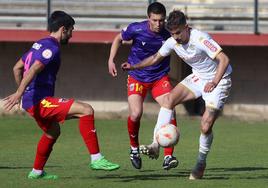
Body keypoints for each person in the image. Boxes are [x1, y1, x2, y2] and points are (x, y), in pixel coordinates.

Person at [3, 10, 119, 180]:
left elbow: (17, 67)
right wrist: (20, 92)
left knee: (53, 131)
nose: (72, 35)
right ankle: (97, 158)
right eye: (71, 30)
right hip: (39, 101)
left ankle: (36, 172)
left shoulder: (39, 44)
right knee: (86, 110)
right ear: (63, 29)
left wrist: (24, 94)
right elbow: (35, 68)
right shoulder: (52, 47)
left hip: (31, 101)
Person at [121, 10, 232, 179]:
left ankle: (200, 163)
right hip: (198, 78)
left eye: (178, 32)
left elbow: (224, 59)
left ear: (186, 27)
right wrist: (134, 67)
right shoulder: (172, 41)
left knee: (205, 126)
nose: (176, 37)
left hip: (219, 80)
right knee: (168, 100)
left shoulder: (201, 39)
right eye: (172, 33)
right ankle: (155, 144)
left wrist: (214, 82)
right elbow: (155, 57)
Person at [108, 2, 178, 170]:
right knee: (136, 113)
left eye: (161, 20)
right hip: (137, 77)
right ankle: (134, 149)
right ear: (148, 18)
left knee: (170, 108)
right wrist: (111, 60)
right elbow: (118, 38)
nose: (158, 24)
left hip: (159, 78)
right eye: (155, 20)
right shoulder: (136, 29)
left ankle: (168, 156)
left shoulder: (169, 32)